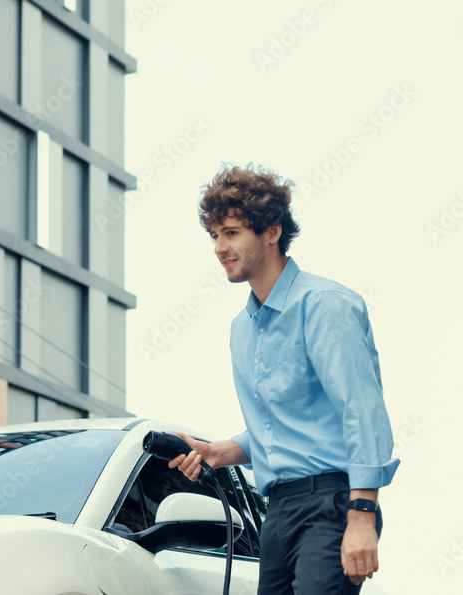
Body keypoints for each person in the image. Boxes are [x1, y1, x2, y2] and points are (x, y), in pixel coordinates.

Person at [169, 164, 399, 594]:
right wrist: (221, 452)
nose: (219, 247)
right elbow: (284, 427)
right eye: (214, 235)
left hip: (331, 506)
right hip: (277, 513)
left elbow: (361, 410)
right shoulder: (242, 328)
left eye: (232, 232)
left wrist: (363, 513)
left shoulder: (325, 305)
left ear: (271, 231)